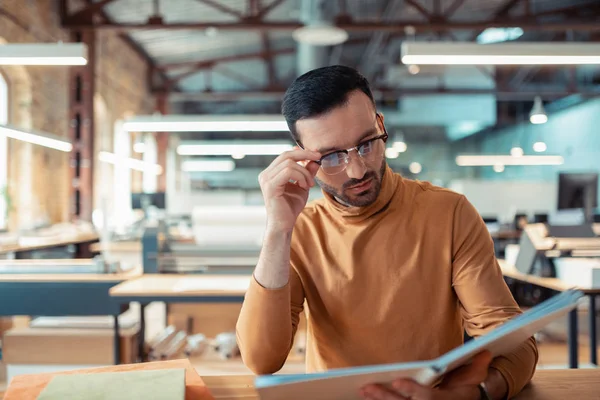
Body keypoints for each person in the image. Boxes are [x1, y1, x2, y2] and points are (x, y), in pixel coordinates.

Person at [235, 65, 538, 400]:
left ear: (380, 125)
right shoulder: (301, 230)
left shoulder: (449, 213)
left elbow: (515, 344)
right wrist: (278, 229)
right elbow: (262, 359)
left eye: (366, 144)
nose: (357, 169)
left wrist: (472, 394)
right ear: (302, 157)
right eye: (331, 157)